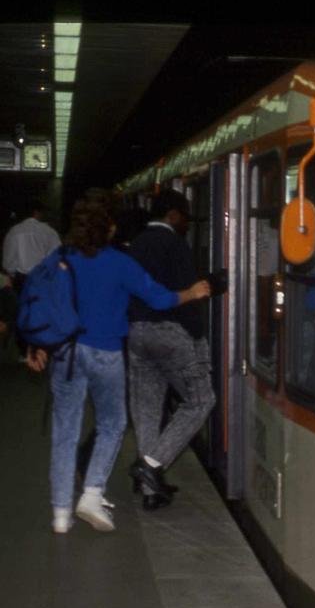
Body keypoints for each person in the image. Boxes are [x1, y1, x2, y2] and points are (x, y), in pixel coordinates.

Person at [25, 189, 210, 534]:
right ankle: (92, 494)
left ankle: (60, 515)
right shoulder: (119, 262)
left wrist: (36, 346)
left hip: (65, 353)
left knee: (65, 432)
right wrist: (193, 292)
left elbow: (37, 296)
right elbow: (160, 299)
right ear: (109, 226)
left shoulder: (60, 257)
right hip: (106, 353)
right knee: (112, 424)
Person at [126, 189, 215, 509]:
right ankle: (150, 466)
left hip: (137, 333)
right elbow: (187, 298)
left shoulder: (137, 244)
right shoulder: (175, 244)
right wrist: (198, 339)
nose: (187, 224)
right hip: (171, 335)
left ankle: (151, 492)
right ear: (173, 215)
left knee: (147, 412)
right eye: (185, 217)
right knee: (201, 401)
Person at [3, 199, 62, 357]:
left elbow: (8, 261)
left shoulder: (14, 231)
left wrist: (12, 275)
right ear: (37, 213)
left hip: (22, 279)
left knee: (23, 314)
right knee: (43, 313)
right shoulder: (49, 231)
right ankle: (42, 348)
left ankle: (24, 351)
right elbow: (57, 256)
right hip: (43, 278)